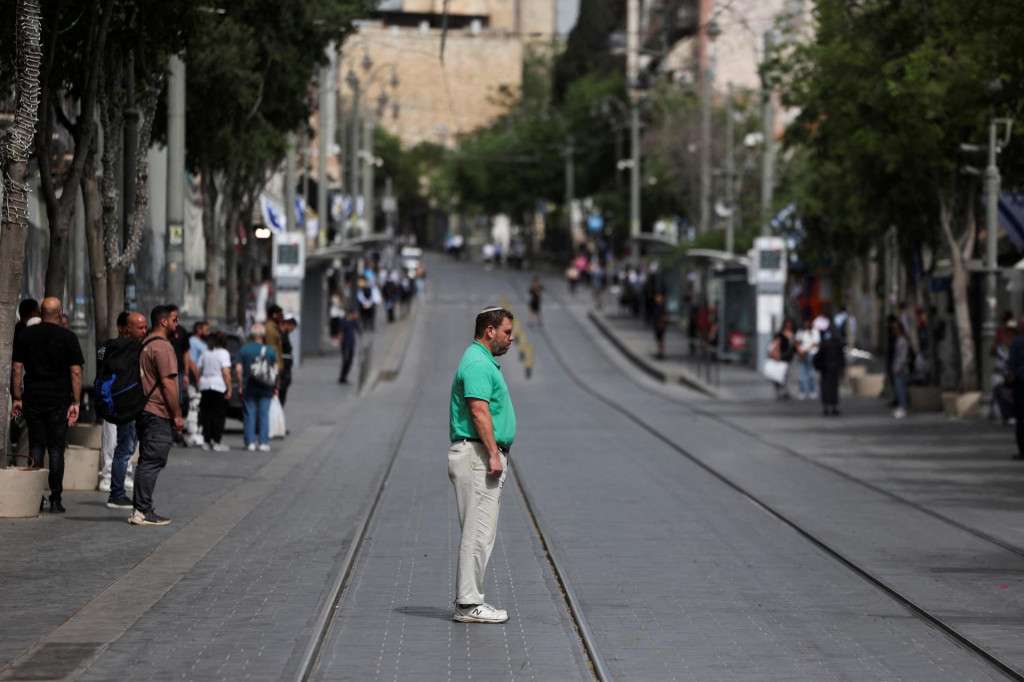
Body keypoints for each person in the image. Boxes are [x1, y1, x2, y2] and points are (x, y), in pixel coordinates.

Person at [448, 307, 516, 624]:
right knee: (477, 533)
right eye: (507, 331)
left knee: (481, 532)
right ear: (490, 331)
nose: (511, 338)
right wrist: (492, 454)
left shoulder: (481, 360)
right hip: (478, 456)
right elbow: (478, 412)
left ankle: (470, 599)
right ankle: (468, 602)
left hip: (480, 454)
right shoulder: (477, 363)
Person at [11, 297, 84, 514]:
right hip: (59, 400)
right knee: (55, 449)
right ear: (60, 313)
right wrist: (76, 402)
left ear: (41, 312)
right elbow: (76, 372)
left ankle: (35, 495)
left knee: (35, 445)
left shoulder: (26, 334)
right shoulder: (68, 337)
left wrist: (17, 397)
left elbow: (17, 368)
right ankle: (56, 498)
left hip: (33, 397)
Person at [130, 305, 182, 525]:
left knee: (147, 459)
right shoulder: (162, 347)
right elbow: (168, 383)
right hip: (156, 411)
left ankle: (141, 508)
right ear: (164, 321)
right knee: (152, 460)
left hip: (144, 410)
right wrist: (177, 414)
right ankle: (142, 511)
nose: (176, 324)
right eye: (174, 320)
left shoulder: (146, 343)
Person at [97, 311, 144, 506]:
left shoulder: (105, 348)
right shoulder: (136, 349)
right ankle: (116, 493)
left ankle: (115, 487)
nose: (144, 331)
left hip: (110, 403)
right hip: (130, 406)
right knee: (125, 449)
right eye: (140, 327)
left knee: (119, 447)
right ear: (126, 328)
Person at [235, 323, 278, 452]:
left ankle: (250, 442)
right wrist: (275, 387)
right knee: (264, 414)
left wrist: (241, 385)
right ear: (263, 335)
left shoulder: (244, 349)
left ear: (251, 335)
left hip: (249, 386)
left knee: (249, 413)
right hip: (266, 386)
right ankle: (263, 442)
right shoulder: (270, 350)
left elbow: (238, 369)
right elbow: (275, 370)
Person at [197, 331, 232, 452]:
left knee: (206, 414)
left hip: (205, 385)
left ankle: (207, 440)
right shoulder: (224, 353)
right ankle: (217, 440)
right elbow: (226, 373)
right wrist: (229, 388)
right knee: (218, 415)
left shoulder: (206, 352)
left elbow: (200, 370)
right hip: (218, 386)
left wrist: (198, 383)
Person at [164, 305, 193, 446]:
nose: (175, 322)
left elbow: (186, 353)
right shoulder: (160, 333)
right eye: (173, 318)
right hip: (164, 374)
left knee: (178, 402)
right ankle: (166, 433)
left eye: (177, 318)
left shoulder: (181, 332)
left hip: (179, 373)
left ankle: (178, 433)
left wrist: (186, 373)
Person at [816, 323, 846, 416]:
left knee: (825, 387)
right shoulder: (838, 343)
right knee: (833, 388)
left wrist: (819, 366)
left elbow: (819, 356)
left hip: (825, 368)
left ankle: (826, 406)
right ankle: (833, 406)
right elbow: (841, 357)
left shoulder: (825, 343)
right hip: (834, 368)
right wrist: (842, 368)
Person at [1007, 317, 1024, 459]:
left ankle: (1023, 450)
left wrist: (1009, 385)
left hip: (1021, 383)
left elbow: (1011, 365)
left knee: (1021, 418)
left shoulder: (1016, 342)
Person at [768, 318, 796, 400]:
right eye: (787, 324)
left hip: (789, 357)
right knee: (778, 375)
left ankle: (785, 391)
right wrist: (776, 354)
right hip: (781, 356)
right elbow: (776, 344)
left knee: (786, 375)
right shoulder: (780, 334)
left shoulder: (793, 334)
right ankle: (780, 391)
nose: (789, 325)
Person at [794, 317, 821, 400]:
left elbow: (815, 343)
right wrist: (800, 350)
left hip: (811, 353)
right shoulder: (800, 332)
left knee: (812, 373)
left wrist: (805, 350)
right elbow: (797, 342)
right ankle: (802, 391)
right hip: (802, 354)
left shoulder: (814, 331)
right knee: (802, 374)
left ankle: (813, 390)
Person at [891, 319, 910, 419]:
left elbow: (902, 357)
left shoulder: (902, 341)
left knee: (901, 388)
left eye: (895, 329)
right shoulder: (900, 340)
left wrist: (897, 368)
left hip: (900, 368)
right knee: (899, 388)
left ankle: (903, 407)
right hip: (898, 367)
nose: (893, 332)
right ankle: (901, 406)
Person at [337, 309, 360, 384]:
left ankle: (344, 377)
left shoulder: (353, 322)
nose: (356, 316)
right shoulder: (345, 322)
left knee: (350, 361)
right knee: (346, 361)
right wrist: (340, 342)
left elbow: (359, 329)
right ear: (351, 314)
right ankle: (342, 377)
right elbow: (341, 333)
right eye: (355, 314)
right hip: (345, 344)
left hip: (351, 344)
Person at [278, 315, 296, 406]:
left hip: (286, 369)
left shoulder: (285, 335)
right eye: (292, 327)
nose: (292, 329)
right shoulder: (281, 335)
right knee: (281, 396)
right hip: (283, 370)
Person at [652, 292, 668, 359]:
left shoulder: (661, 306)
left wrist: (661, 324)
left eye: (658, 297)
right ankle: (659, 352)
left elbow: (664, 316)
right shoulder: (657, 306)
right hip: (657, 325)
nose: (657, 299)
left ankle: (661, 353)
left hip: (660, 326)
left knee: (660, 340)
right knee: (659, 340)